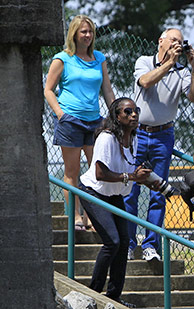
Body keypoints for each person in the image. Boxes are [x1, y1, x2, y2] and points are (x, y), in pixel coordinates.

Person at [125, 27, 194, 262]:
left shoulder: (182, 72)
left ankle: (150, 245)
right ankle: (129, 244)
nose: (176, 44)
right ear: (161, 41)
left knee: (159, 192)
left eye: (180, 41)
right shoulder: (145, 61)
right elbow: (145, 82)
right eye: (173, 40)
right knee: (131, 190)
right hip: (137, 132)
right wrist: (168, 64)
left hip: (163, 135)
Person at [79, 98, 153, 306]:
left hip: (114, 194)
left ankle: (114, 295)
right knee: (112, 241)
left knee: (123, 243)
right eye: (127, 112)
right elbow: (100, 173)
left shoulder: (134, 138)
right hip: (93, 191)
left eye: (135, 111)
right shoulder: (106, 138)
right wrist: (131, 177)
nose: (133, 115)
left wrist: (143, 179)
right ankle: (93, 293)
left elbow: (128, 171)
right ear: (117, 117)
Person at [44, 14, 115, 231]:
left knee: (97, 171)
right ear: (74, 33)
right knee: (72, 171)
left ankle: (93, 216)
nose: (87, 35)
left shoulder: (99, 58)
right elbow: (48, 90)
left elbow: (107, 90)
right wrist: (60, 114)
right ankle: (75, 215)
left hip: (95, 121)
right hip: (71, 121)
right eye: (83, 31)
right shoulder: (62, 58)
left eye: (91, 31)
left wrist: (115, 116)